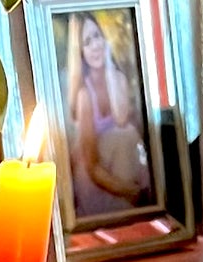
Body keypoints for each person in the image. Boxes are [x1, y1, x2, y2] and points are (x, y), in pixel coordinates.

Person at [65, 11, 150, 219]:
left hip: (118, 163)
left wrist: (110, 68)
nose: (95, 45)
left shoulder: (117, 78)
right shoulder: (84, 95)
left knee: (126, 132)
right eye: (87, 42)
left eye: (97, 36)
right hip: (95, 178)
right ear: (80, 53)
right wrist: (129, 190)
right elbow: (93, 167)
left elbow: (121, 119)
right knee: (125, 135)